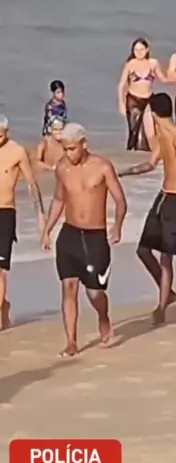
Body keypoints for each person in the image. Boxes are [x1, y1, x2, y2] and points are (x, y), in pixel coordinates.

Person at [118, 93, 176, 326]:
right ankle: (168, 293)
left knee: (166, 257)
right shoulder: (162, 136)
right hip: (164, 196)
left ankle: (161, 307)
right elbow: (150, 164)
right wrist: (123, 173)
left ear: (154, 113)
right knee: (143, 250)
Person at [41, 123, 127, 357]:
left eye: (72, 149)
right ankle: (71, 341)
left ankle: (103, 317)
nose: (68, 154)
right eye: (65, 149)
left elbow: (120, 200)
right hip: (69, 234)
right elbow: (59, 199)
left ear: (84, 144)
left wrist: (117, 226)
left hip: (94, 237)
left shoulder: (103, 167)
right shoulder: (63, 168)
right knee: (68, 287)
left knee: (94, 292)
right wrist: (47, 229)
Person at [0, 115, 45, 330]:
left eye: (1, 134)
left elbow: (32, 184)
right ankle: (3, 304)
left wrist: (41, 217)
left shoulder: (17, 151)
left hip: (5, 212)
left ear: (7, 132)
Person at [117, 38, 167, 152]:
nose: (139, 52)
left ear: (147, 49)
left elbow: (164, 78)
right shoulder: (130, 64)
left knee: (150, 131)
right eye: (136, 50)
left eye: (141, 49)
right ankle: (132, 155)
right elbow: (121, 85)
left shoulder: (153, 63)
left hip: (149, 99)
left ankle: (152, 154)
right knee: (134, 131)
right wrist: (121, 103)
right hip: (134, 100)